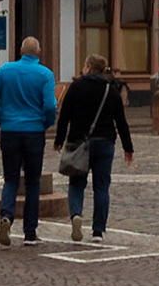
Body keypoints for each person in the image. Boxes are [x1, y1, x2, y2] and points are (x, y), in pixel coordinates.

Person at [0, 36, 58, 247]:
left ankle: (6, 216)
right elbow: (50, 106)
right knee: (33, 181)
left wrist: (1, 117)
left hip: (9, 130)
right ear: (39, 52)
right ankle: (30, 232)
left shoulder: (6, 70)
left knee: (11, 179)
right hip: (34, 131)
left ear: (20, 51)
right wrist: (46, 122)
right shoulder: (45, 74)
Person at [54, 54, 134, 243]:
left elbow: (64, 116)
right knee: (101, 186)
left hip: (79, 142)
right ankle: (98, 230)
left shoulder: (76, 87)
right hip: (105, 142)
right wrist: (128, 148)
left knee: (76, 182)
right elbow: (121, 122)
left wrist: (59, 139)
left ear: (89, 67)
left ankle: (76, 215)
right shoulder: (111, 90)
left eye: (84, 65)